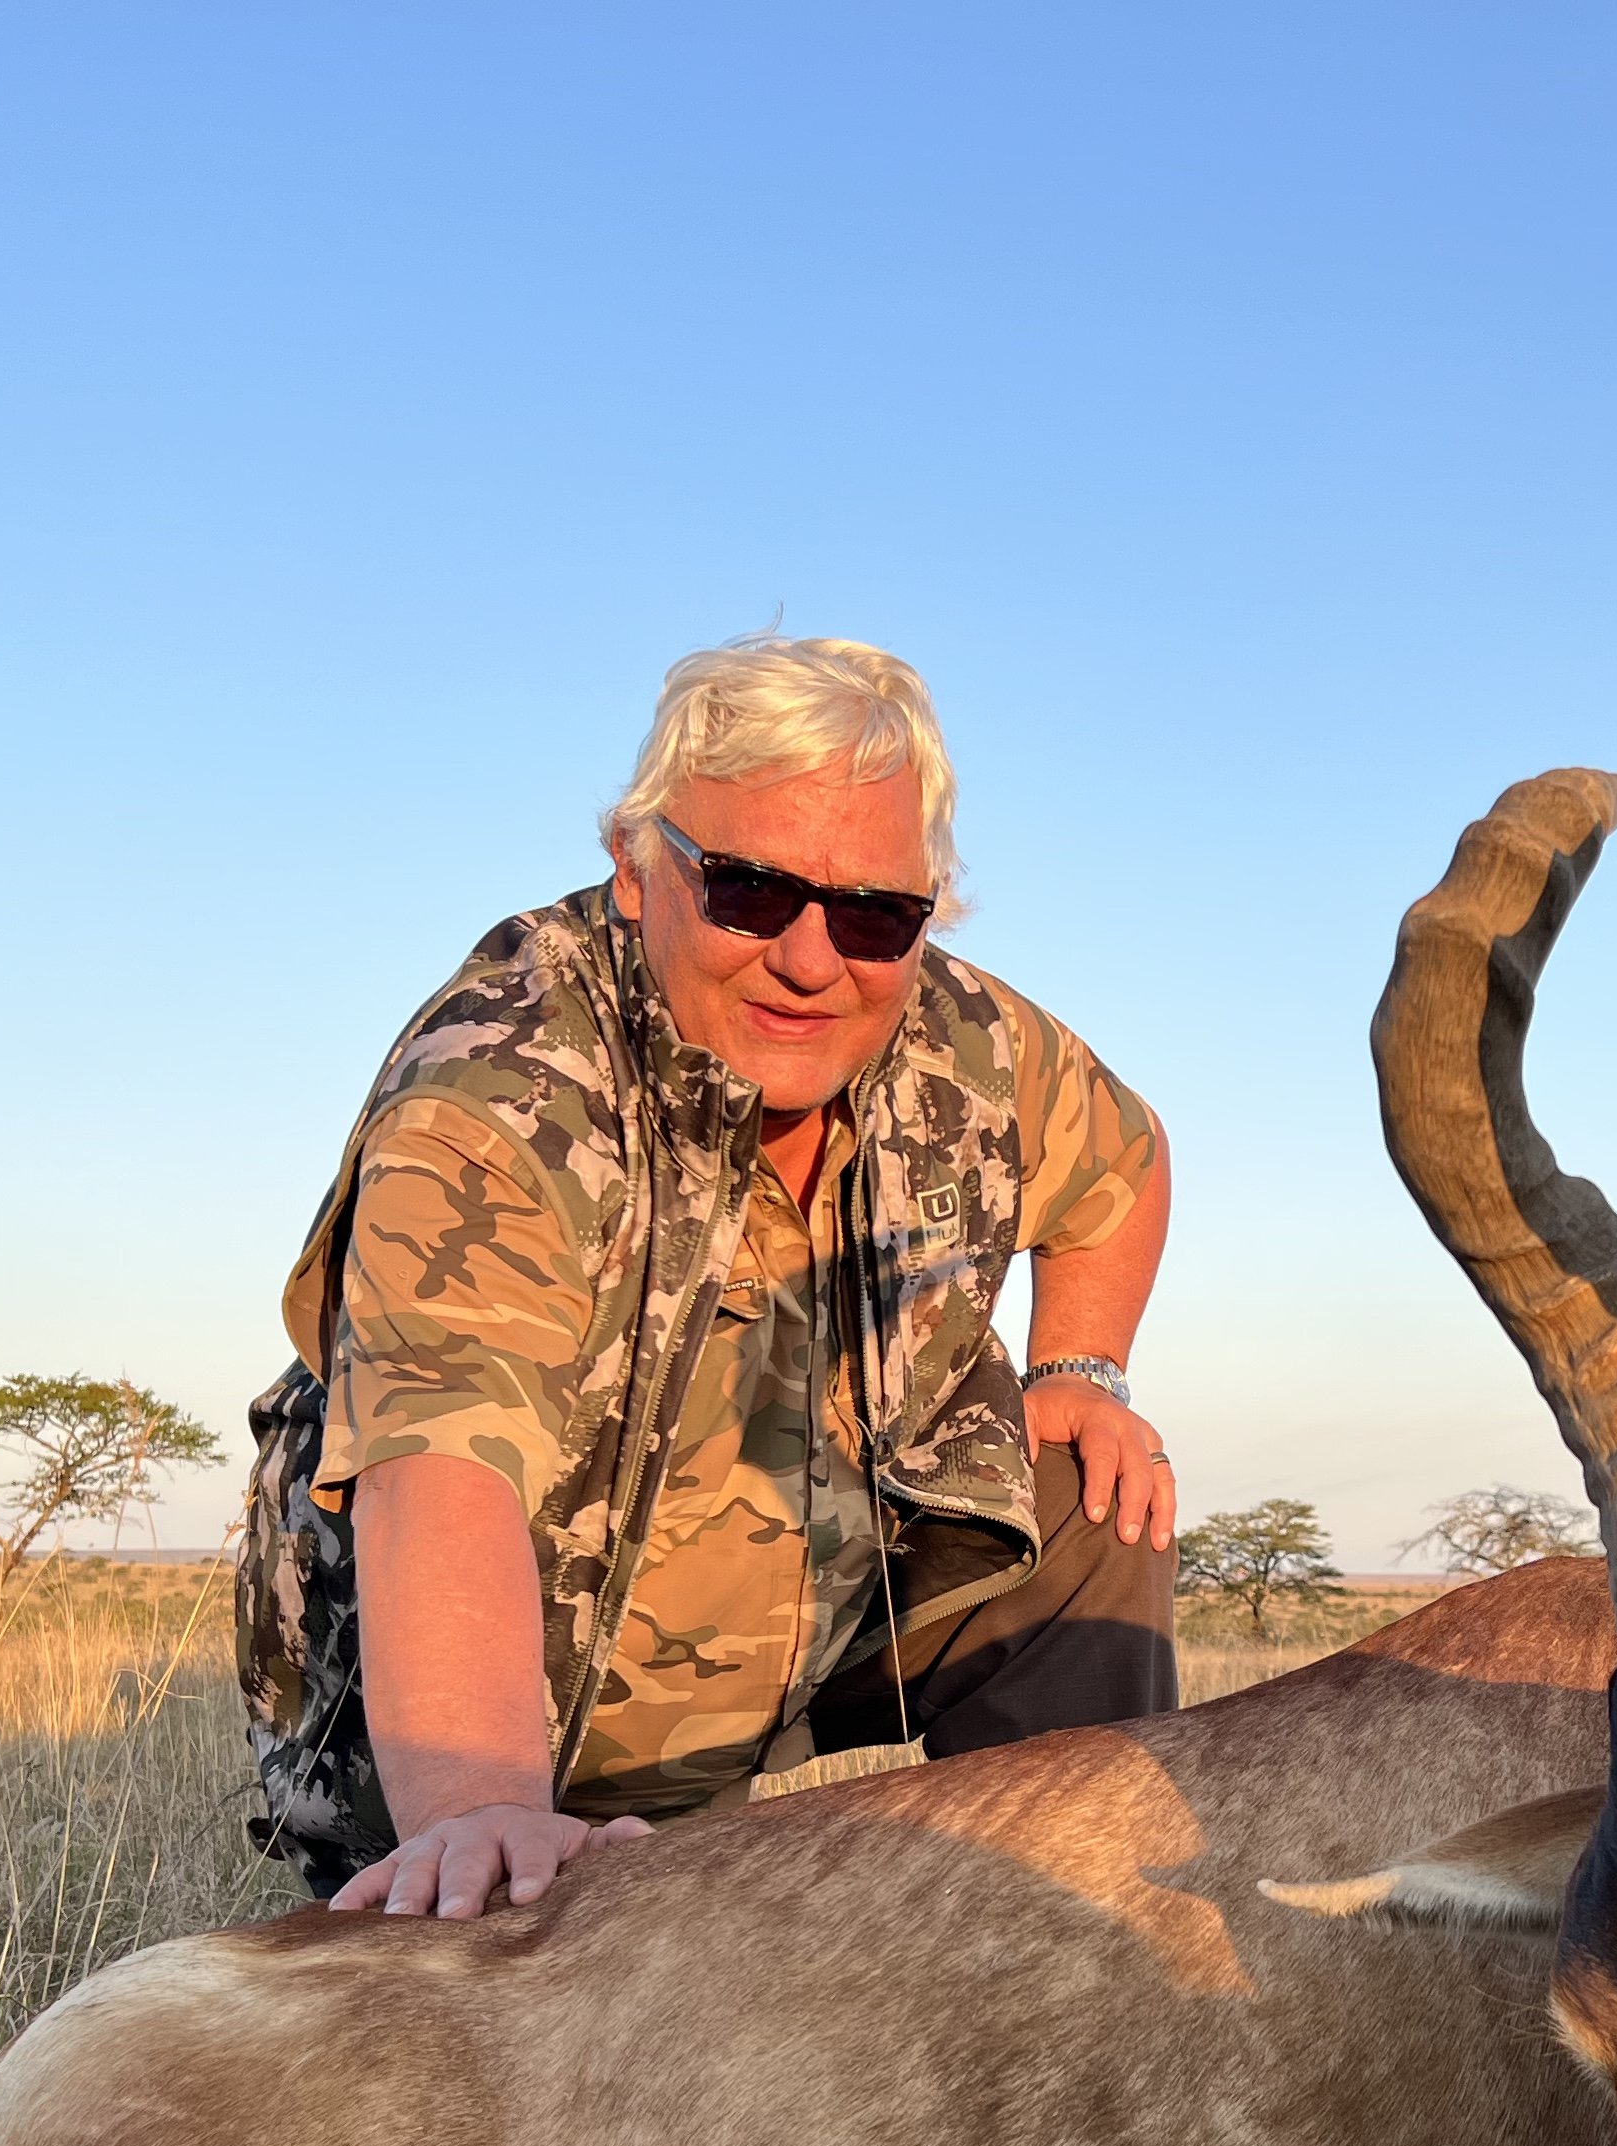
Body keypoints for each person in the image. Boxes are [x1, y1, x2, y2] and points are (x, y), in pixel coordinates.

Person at [237, 636, 1180, 1916]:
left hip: (804, 1626)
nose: (810, 959)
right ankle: (490, 1855)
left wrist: (1079, 1367)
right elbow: (438, 1476)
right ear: (637, 870)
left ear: (927, 910)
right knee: (509, 1976)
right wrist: (479, 1811)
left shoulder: (967, 1038)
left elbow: (1124, 1164)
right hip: (492, 1700)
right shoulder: (501, 1092)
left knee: (1085, 1481)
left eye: (873, 913)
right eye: (746, 891)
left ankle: (1071, 1927)